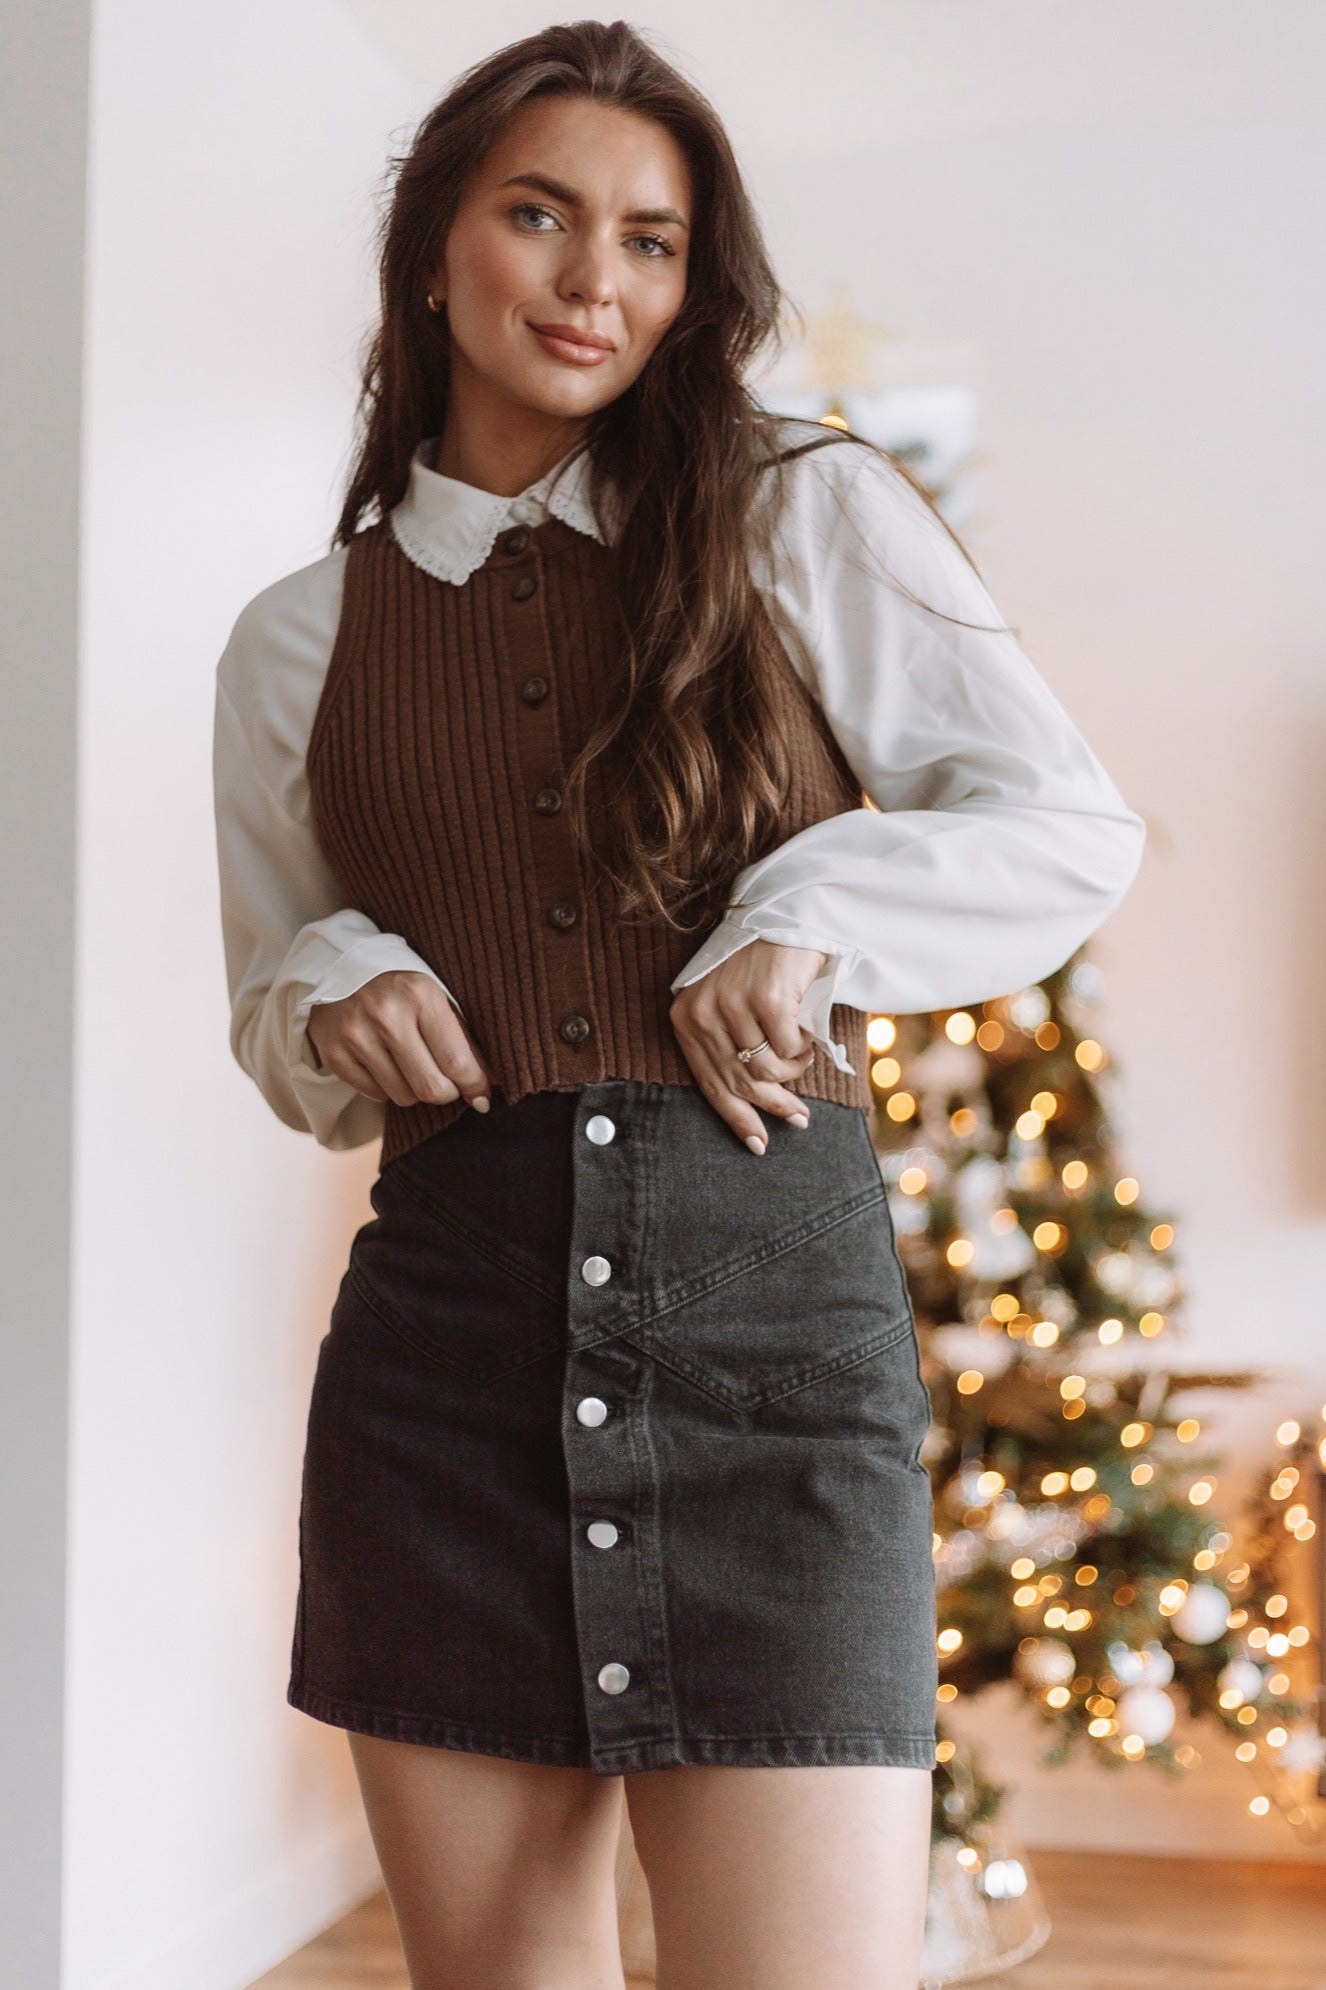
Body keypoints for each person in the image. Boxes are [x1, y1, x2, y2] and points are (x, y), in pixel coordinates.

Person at [211, 21, 1146, 1990]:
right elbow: (279, 1002)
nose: (593, 281)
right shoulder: (297, 640)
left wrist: (813, 909)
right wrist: (332, 976)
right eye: (540, 216)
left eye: (649, 242)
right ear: (434, 249)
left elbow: (1065, 825)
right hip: (443, 1371)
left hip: (775, 1359)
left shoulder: (803, 508)